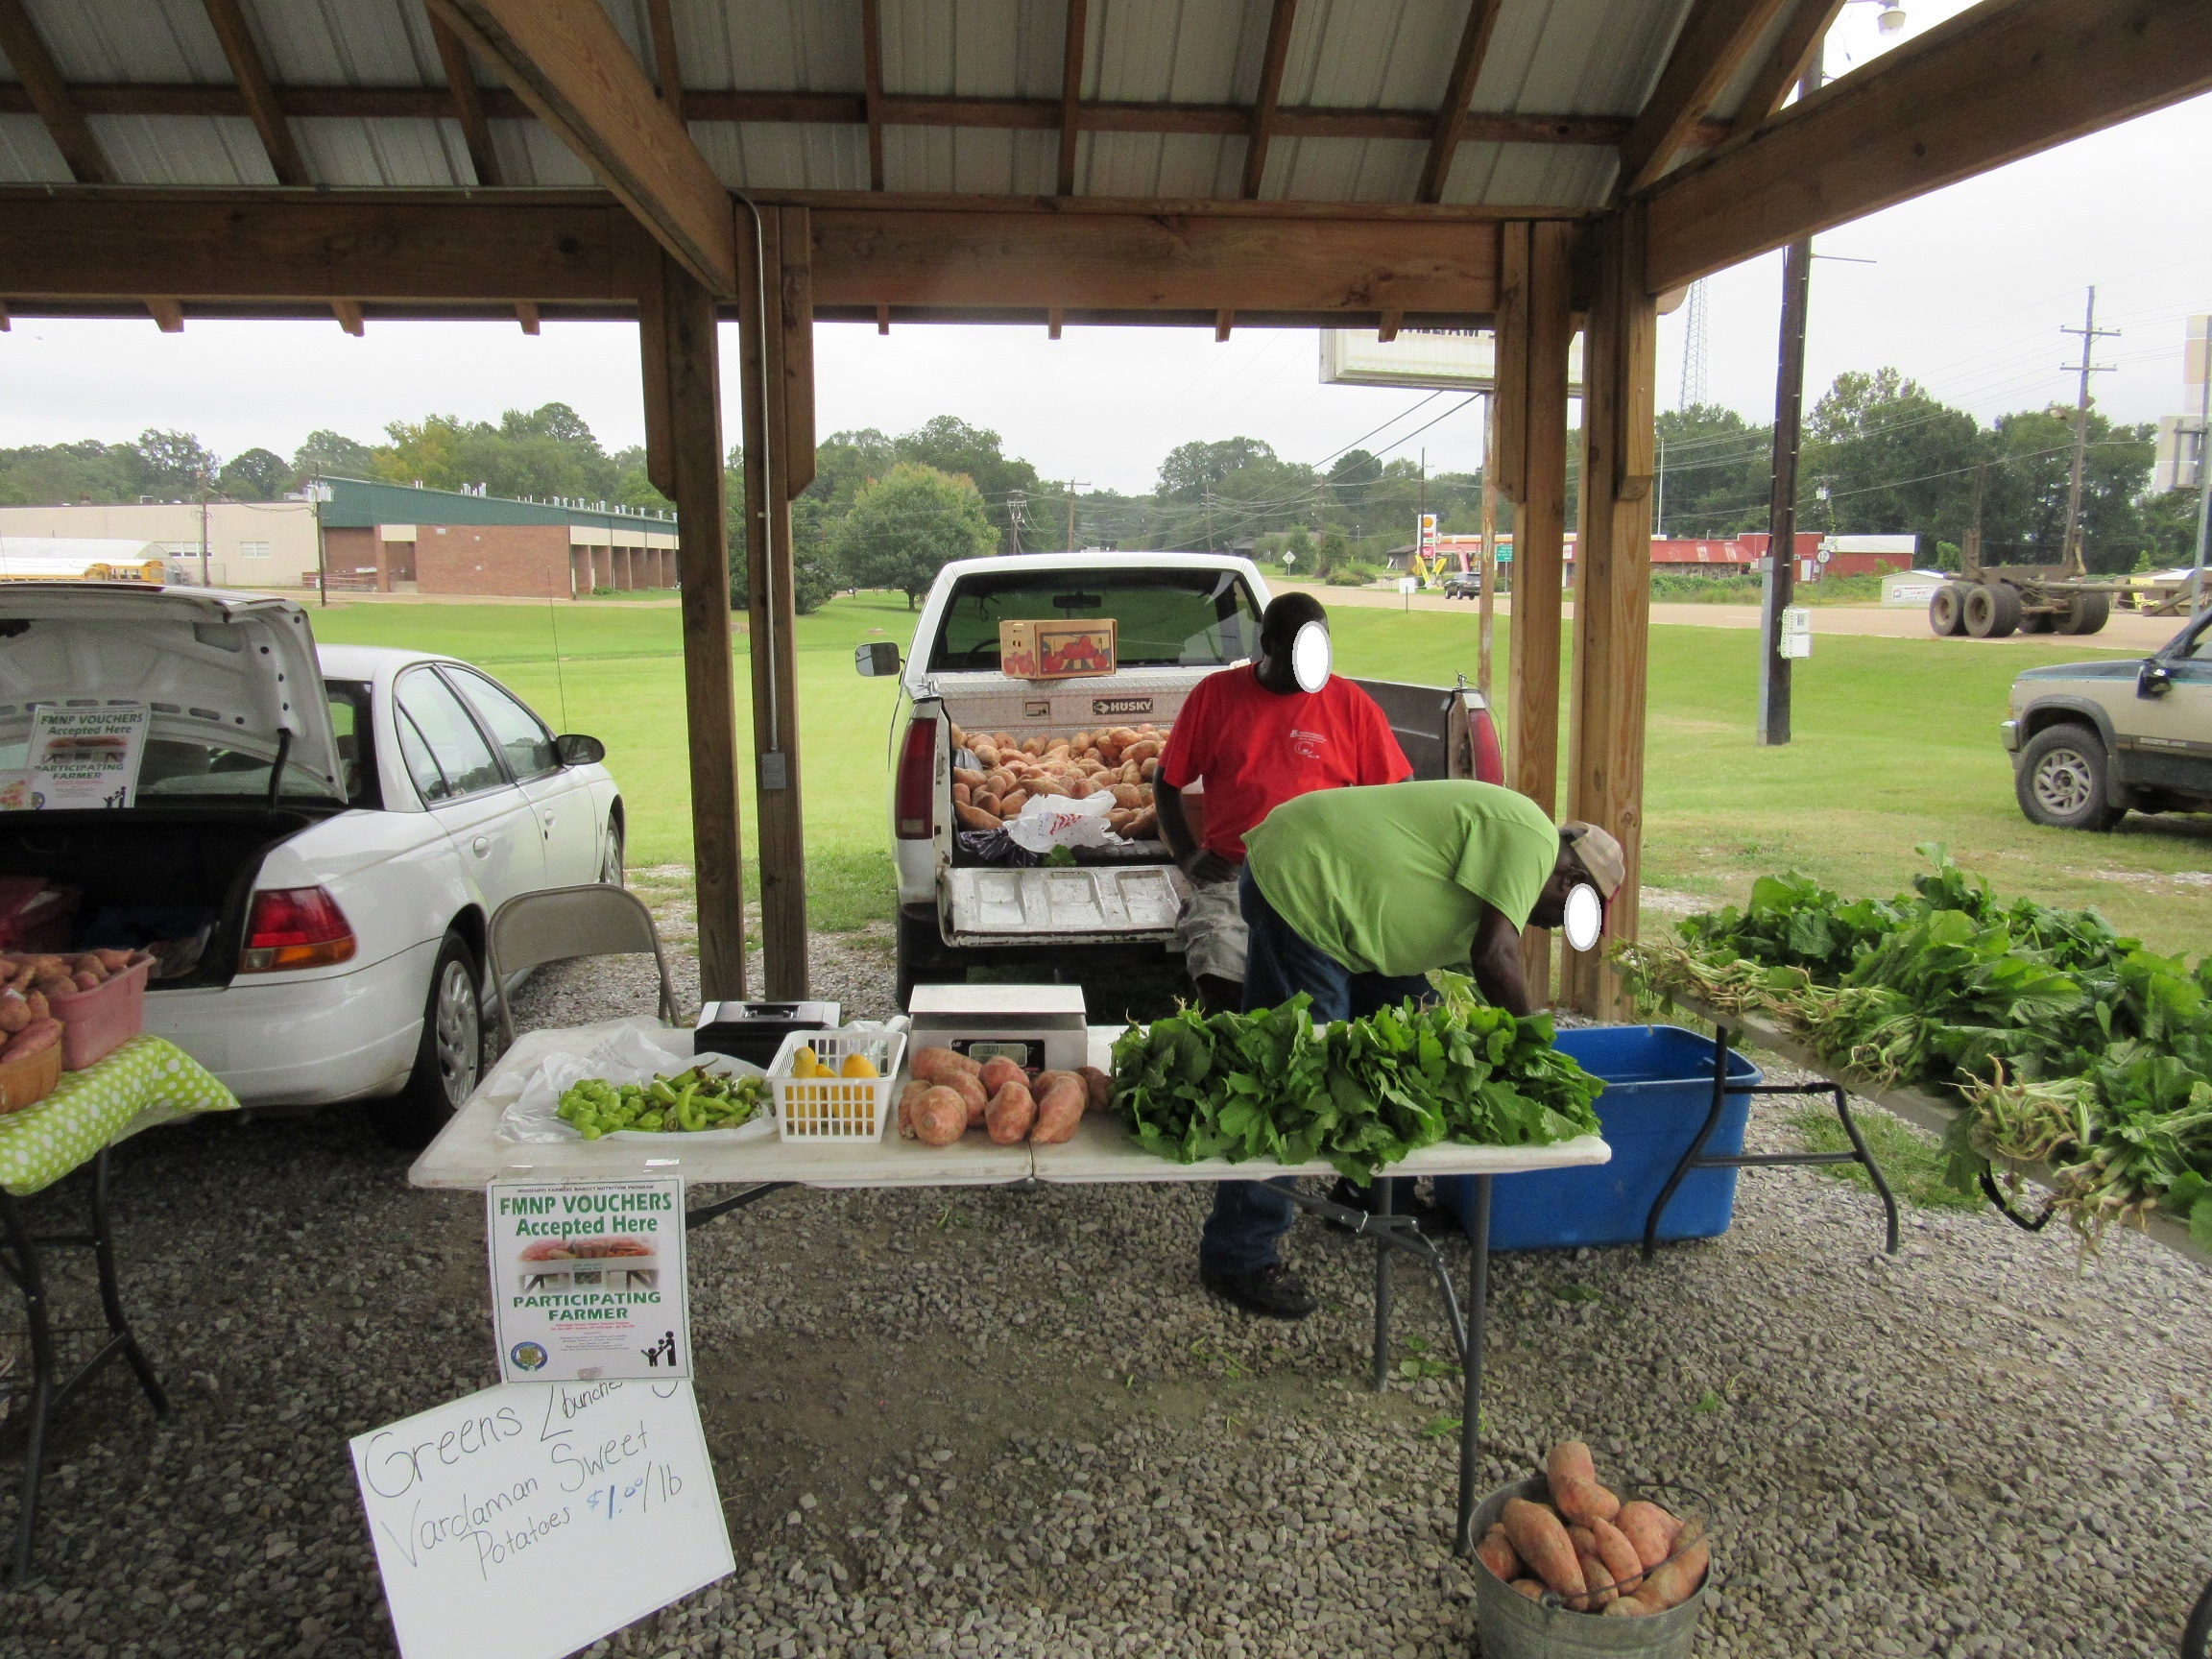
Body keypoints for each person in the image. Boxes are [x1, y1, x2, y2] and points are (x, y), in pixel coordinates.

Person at [1195, 779, 1625, 1319]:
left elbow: (1474, 986)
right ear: (1572, 880)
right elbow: (1498, 959)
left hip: (1338, 900)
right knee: (1293, 1082)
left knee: (1410, 1041)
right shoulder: (1533, 839)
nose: (1547, 926)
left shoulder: (1501, 875)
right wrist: (1534, 1047)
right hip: (1308, 882)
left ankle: (1373, 1194)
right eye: (1560, 916)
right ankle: (1238, 1254)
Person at [1154, 591, 1409, 1013]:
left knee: (1337, 990)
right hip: (1234, 873)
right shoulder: (1214, 695)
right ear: (1268, 645)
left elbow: (1397, 790)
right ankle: (1234, 1058)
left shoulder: (1351, 704)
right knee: (1219, 966)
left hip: (1323, 878)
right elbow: (1166, 782)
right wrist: (1186, 854)